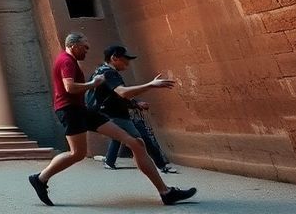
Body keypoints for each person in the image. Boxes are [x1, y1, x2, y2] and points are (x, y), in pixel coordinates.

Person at [27, 33, 197, 206]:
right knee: (77, 153)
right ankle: (40, 179)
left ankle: (165, 192)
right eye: (85, 47)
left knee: (135, 143)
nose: (87, 51)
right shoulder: (66, 61)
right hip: (70, 111)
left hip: (82, 110)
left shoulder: (70, 61)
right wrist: (95, 83)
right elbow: (69, 88)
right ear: (74, 45)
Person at [91, 44, 177, 172]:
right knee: (140, 140)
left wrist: (135, 104)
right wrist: (151, 85)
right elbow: (123, 92)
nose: (128, 62)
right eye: (125, 59)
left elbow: (115, 96)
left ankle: (110, 161)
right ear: (114, 58)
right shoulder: (109, 73)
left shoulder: (100, 71)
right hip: (115, 115)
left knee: (123, 138)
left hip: (108, 114)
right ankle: (159, 167)